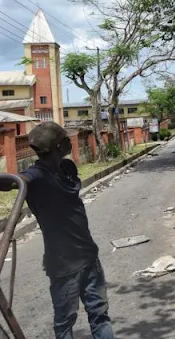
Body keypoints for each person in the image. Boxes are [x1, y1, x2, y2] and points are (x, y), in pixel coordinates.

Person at [0, 122, 114, 339]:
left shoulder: (66, 169)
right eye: (66, 139)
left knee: (88, 318)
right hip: (66, 265)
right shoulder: (36, 175)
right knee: (78, 321)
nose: (70, 141)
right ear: (59, 146)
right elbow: (18, 181)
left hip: (85, 257)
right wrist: (15, 181)